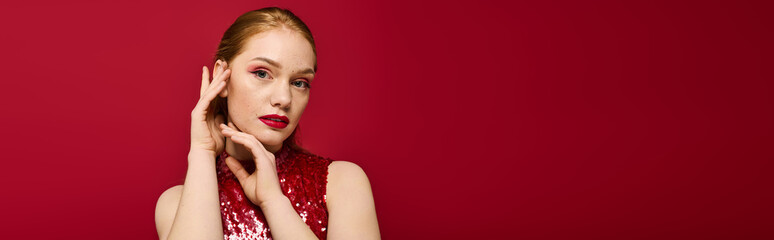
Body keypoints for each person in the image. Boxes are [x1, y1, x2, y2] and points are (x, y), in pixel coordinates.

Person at [154, 7, 380, 240]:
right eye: (262, 73)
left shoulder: (342, 183)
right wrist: (202, 151)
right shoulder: (176, 204)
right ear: (222, 77)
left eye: (300, 82)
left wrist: (274, 202)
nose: (284, 98)